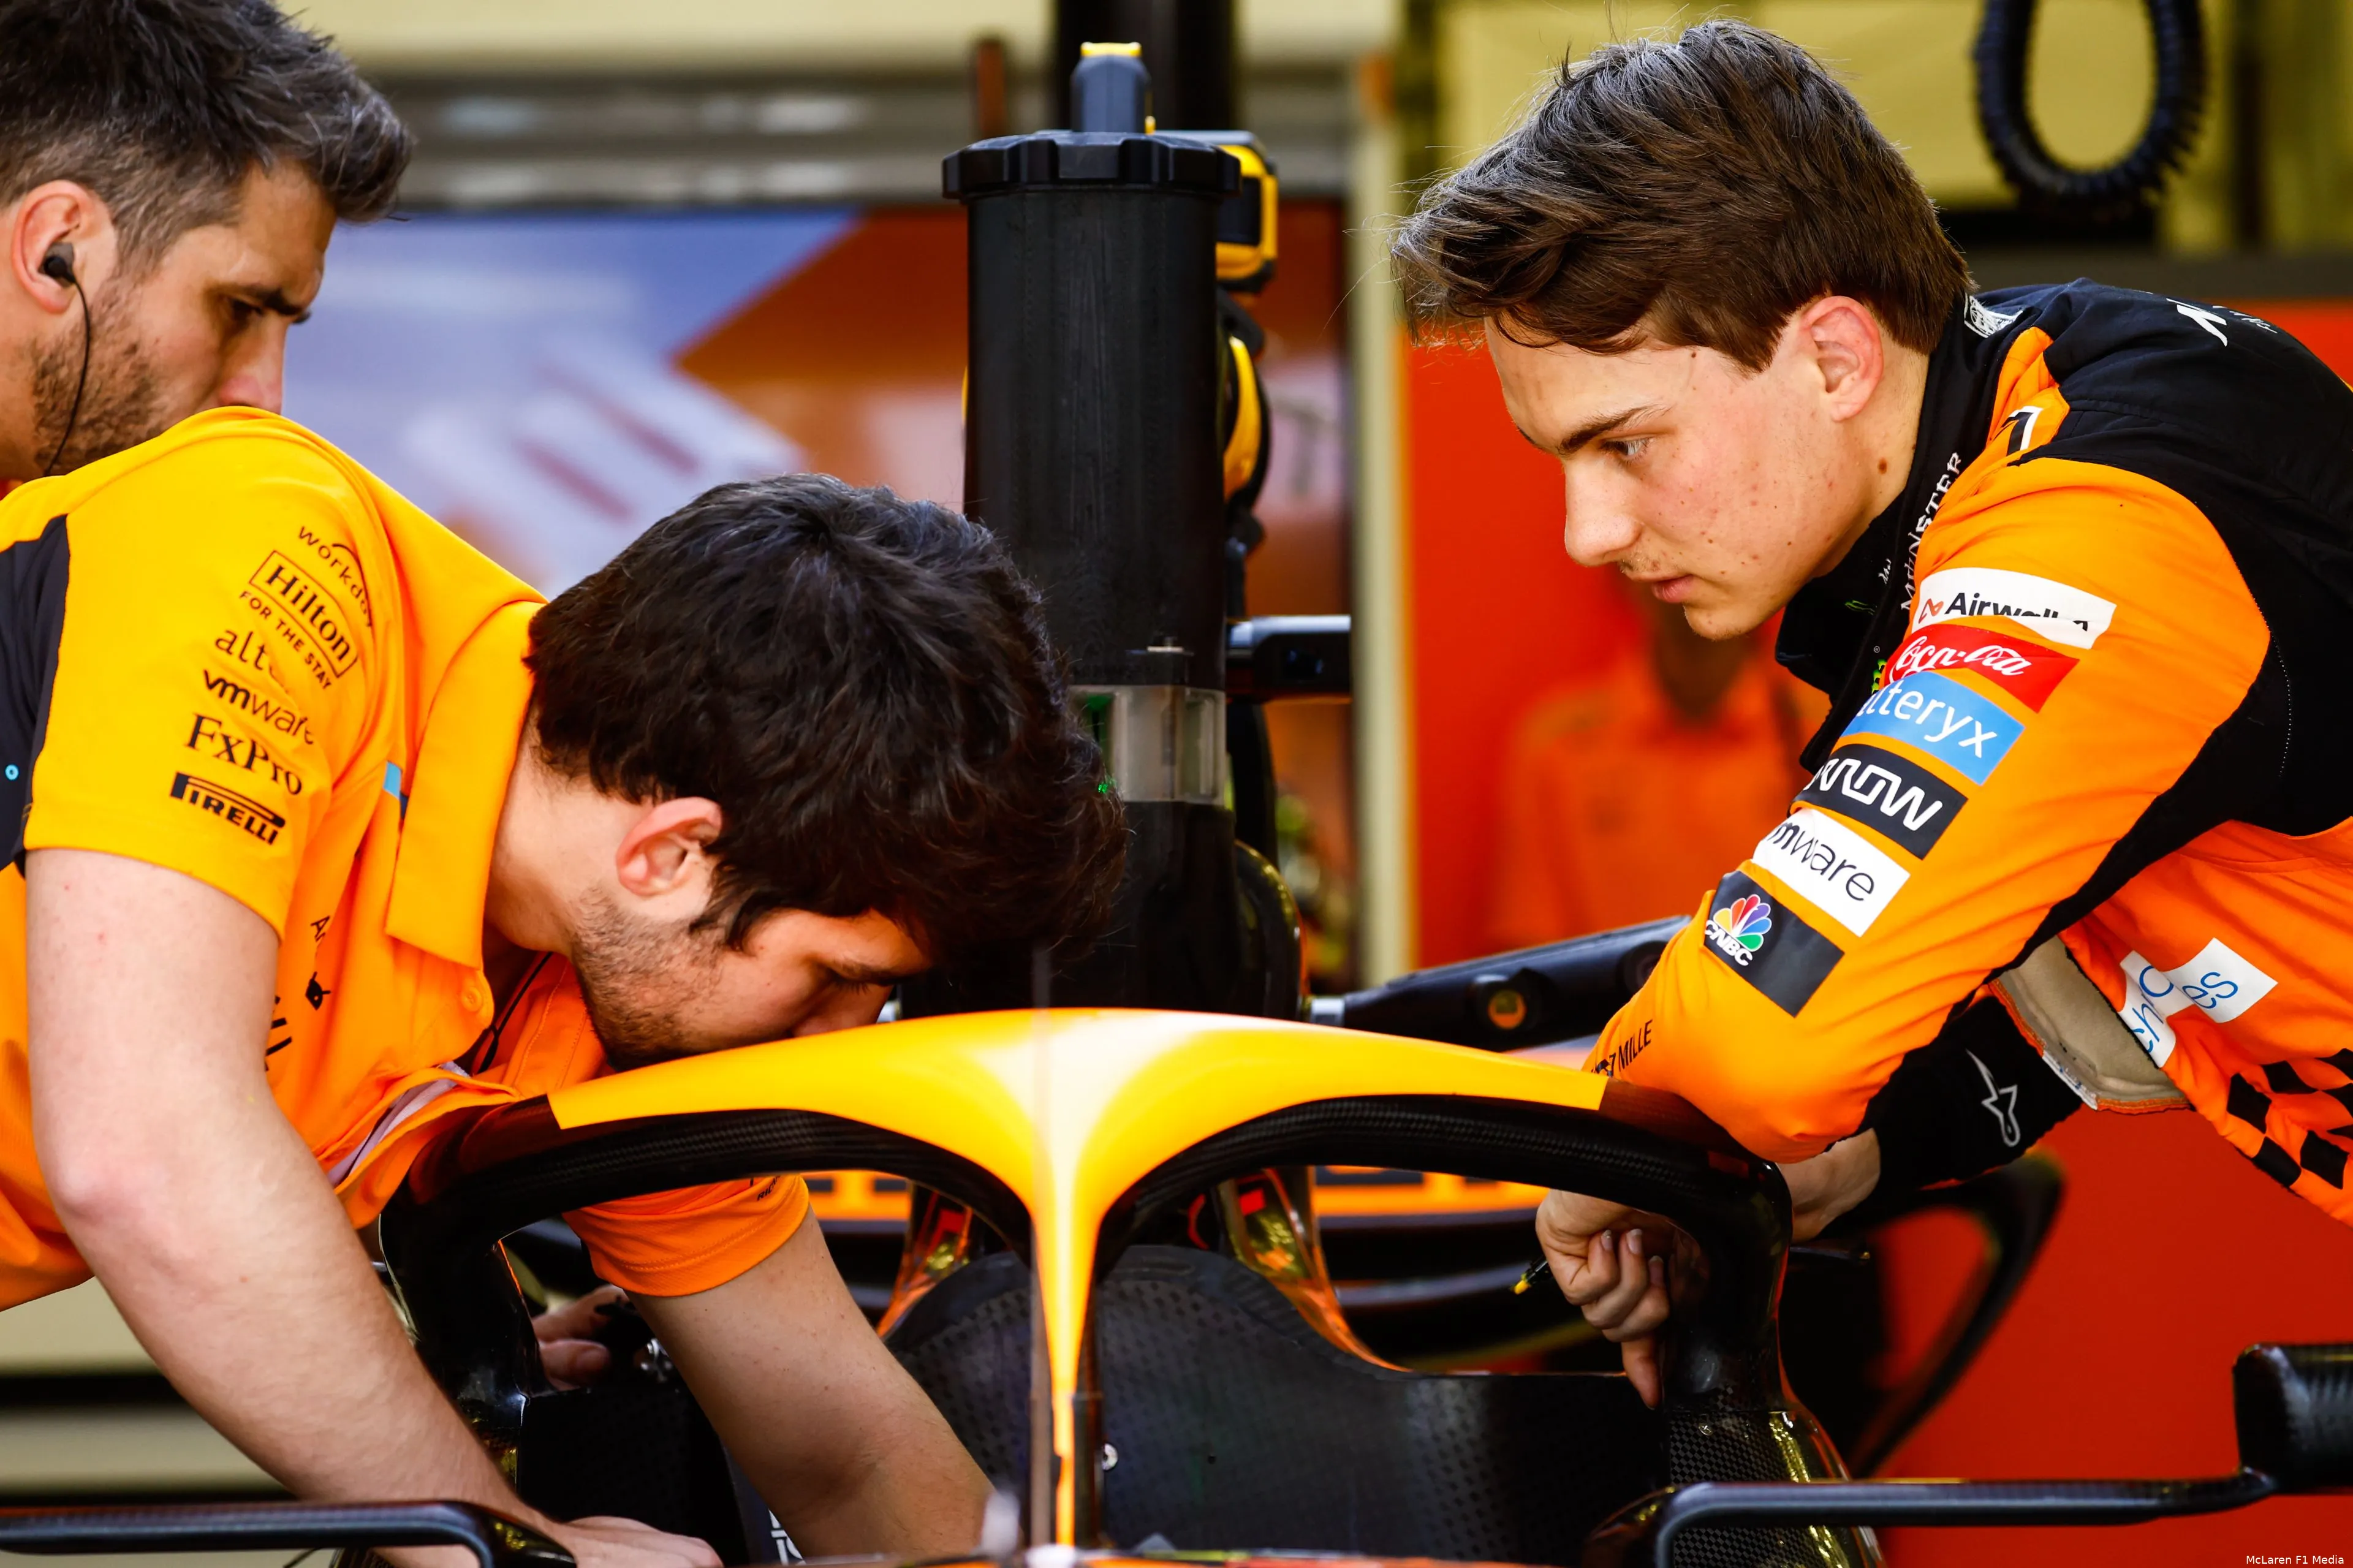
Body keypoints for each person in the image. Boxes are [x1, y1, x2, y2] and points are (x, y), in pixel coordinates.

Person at [0, 1, 1129, 1555]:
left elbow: (854, 1461)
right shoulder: (254, 530)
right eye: (834, 981)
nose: (831, 1040)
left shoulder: (608, 993)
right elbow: (146, 1150)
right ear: (670, 851)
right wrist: (510, 1543)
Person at [1392, 18, 2353, 1405]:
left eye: (1624, 443)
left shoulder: (2087, 531)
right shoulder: (2034, 414)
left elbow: (1757, 1040)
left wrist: (1623, 1120)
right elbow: (2161, 945)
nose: (1585, 531)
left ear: (1834, 357)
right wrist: (1870, 1144)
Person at [1489, 578, 1822, 947]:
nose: (1685, 562)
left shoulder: (1829, 734)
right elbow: (1528, 954)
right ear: (1618, 568)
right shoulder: (1560, 747)